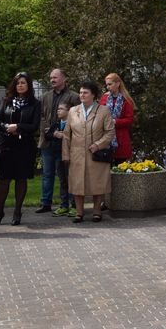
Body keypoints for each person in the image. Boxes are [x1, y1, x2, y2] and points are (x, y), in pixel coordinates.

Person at [0, 72, 41, 227]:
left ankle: (17, 212)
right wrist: (6, 127)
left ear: (28, 85)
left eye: (23, 83)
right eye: (18, 83)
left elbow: (34, 126)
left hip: (24, 146)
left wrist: (18, 127)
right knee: (3, 179)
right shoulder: (7, 101)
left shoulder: (35, 103)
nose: (20, 85)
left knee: (21, 178)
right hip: (6, 145)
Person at [62, 81, 115, 223]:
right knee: (77, 183)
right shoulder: (73, 111)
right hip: (77, 153)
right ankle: (79, 212)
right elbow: (67, 135)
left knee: (97, 183)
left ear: (93, 95)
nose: (81, 95)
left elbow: (110, 132)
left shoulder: (103, 111)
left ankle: (97, 211)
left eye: (85, 92)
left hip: (96, 154)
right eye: (80, 92)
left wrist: (98, 145)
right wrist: (66, 154)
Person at [37, 68, 79, 214]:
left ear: (64, 78)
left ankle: (72, 204)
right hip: (47, 141)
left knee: (67, 174)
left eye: (55, 77)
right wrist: (49, 130)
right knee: (47, 173)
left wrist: (64, 132)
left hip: (65, 142)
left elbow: (77, 117)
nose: (52, 80)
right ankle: (46, 203)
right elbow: (40, 116)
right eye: (51, 78)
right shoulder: (45, 96)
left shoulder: (73, 96)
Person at [100, 73, 135, 164]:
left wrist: (115, 121)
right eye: (106, 84)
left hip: (121, 139)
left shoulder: (126, 100)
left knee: (119, 168)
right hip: (106, 138)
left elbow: (129, 120)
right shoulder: (104, 98)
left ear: (118, 84)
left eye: (110, 84)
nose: (108, 87)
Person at [50, 103, 76, 217]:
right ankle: (64, 205)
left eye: (61, 109)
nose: (58, 111)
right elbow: (48, 134)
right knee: (62, 181)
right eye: (58, 108)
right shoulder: (56, 124)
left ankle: (75, 205)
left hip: (70, 156)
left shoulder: (73, 124)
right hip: (58, 155)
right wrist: (54, 134)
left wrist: (64, 135)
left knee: (72, 180)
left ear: (68, 111)